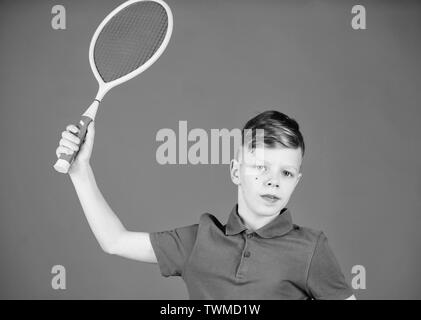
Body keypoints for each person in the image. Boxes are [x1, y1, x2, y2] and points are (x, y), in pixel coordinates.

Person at [55, 110, 355, 300]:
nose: (273, 181)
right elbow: (114, 241)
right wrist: (80, 171)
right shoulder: (199, 240)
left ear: (296, 181)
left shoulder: (311, 249)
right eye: (261, 167)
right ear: (236, 171)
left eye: (286, 173)